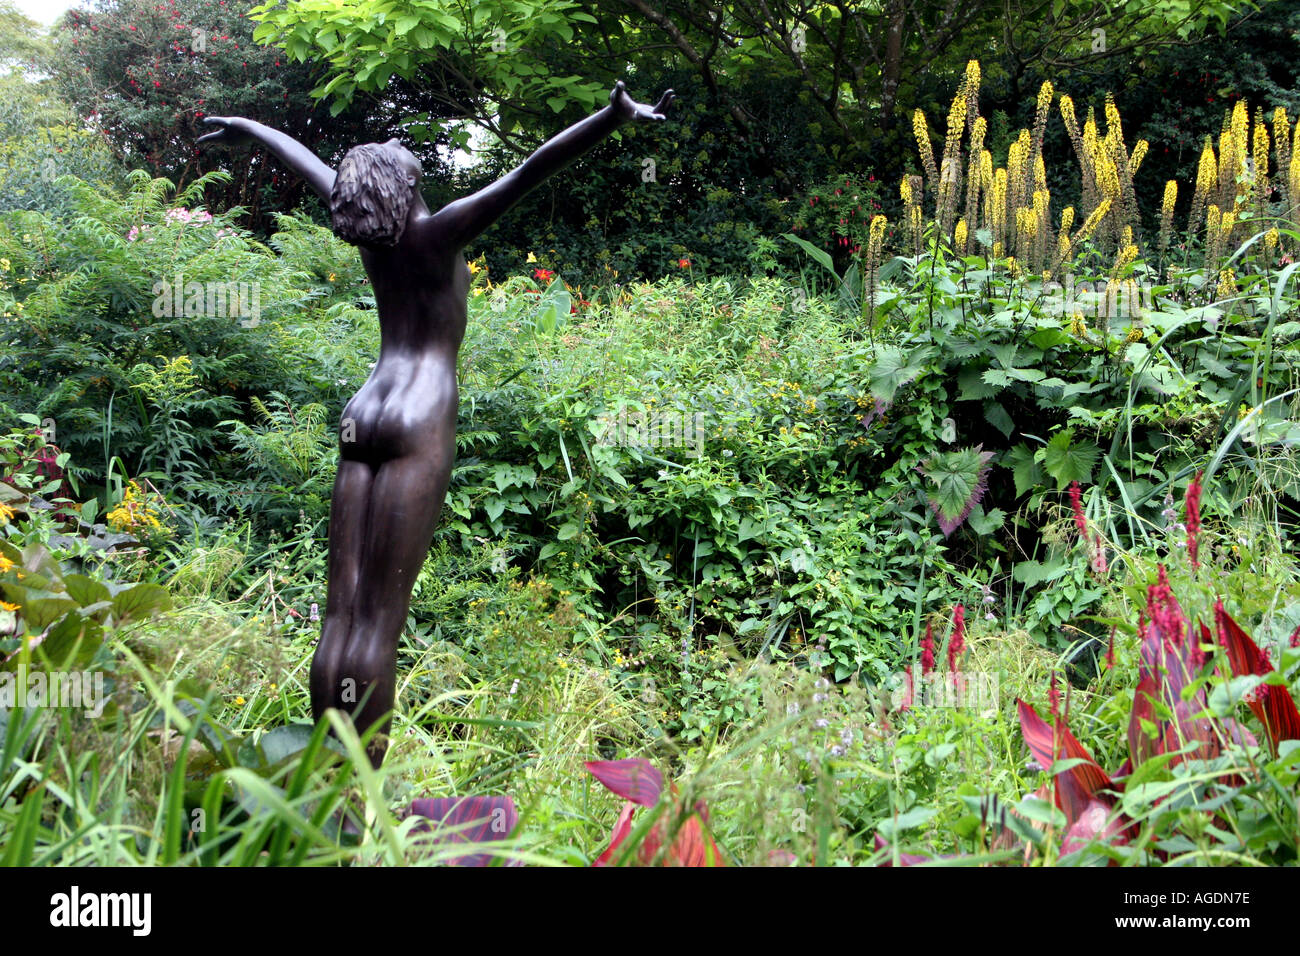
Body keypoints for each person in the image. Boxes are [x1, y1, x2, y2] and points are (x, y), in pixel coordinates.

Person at [200, 82, 674, 765]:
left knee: (341, 615)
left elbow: (308, 163)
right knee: (377, 626)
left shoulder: (373, 229)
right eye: (389, 149)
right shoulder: (437, 231)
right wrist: (611, 116)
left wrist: (248, 124)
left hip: (364, 412)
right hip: (418, 413)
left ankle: (322, 782)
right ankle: (359, 795)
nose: (396, 143)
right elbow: (531, 169)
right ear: (399, 183)